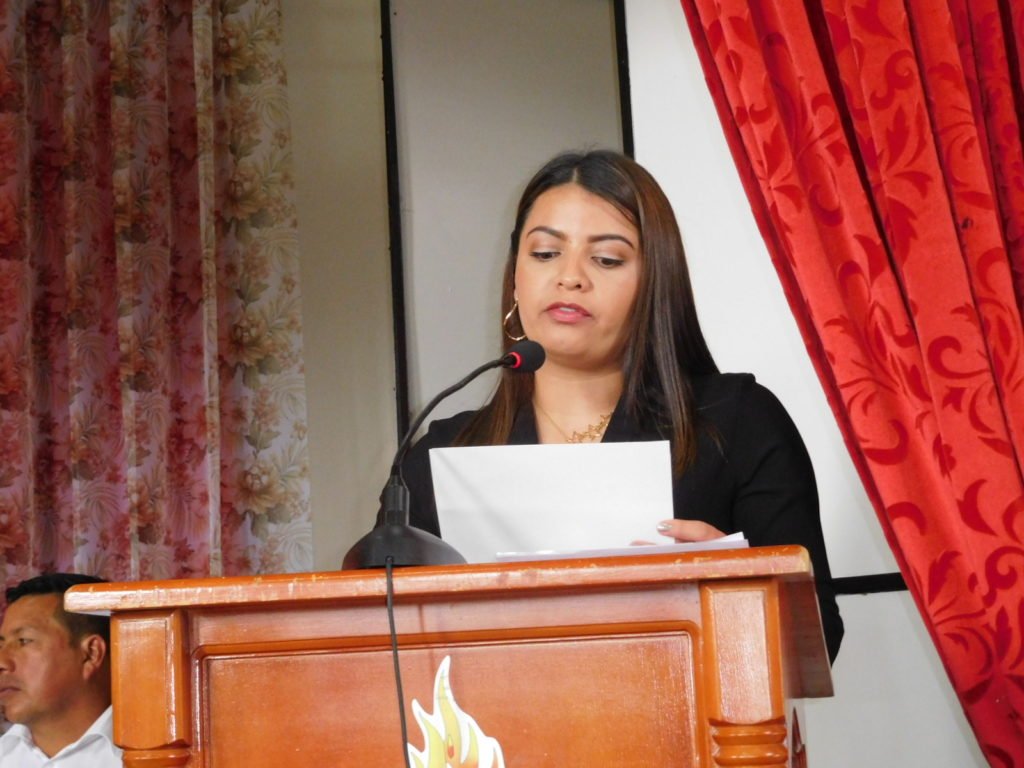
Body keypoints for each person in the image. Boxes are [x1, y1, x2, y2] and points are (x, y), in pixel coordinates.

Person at [400, 149, 843, 662]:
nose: (570, 277)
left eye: (607, 259)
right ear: (515, 275)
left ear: (655, 282)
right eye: (545, 253)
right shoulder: (442, 455)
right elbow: (384, 643)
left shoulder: (738, 422)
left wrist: (735, 588)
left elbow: (817, 642)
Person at [0, 573, 122, 766]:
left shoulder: (155, 757)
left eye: (24, 641)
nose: (2, 662)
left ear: (91, 653)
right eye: (1, 645)